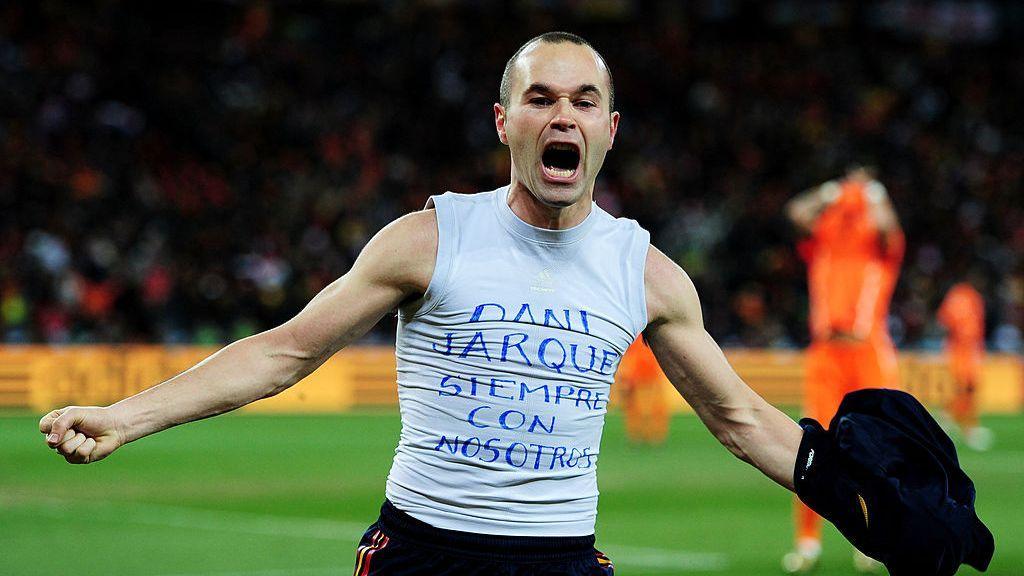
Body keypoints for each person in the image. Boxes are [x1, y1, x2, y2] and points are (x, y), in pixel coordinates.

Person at [39, 33, 977, 576]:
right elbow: (284, 352)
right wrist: (126, 416)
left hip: (560, 563)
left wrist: (862, 506)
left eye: (583, 100)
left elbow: (738, 419)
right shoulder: (429, 237)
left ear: (609, 131)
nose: (560, 115)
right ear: (506, 122)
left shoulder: (648, 274)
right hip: (420, 556)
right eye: (538, 98)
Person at [782, 166, 905, 573]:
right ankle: (808, 543)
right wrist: (829, 191)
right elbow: (797, 211)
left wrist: (874, 193)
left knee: (875, 450)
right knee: (811, 445)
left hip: (867, 351)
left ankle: (873, 540)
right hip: (825, 354)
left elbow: (888, 225)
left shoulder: (881, 241)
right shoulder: (826, 234)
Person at [938, 275, 992, 451]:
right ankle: (968, 428)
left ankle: (949, 418)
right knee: (963, 386)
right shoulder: (959, 295)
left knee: (969, 387)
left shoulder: (973, 296)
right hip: (959, 349)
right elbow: (945, 320)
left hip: (971, 349)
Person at [617, 337, 670, 445]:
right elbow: (627, 356)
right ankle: (637, 433)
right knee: (634, 406)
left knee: (654, 406)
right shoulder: (635, 337)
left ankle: (654, 433)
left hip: (650, 374)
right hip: (637, 375)